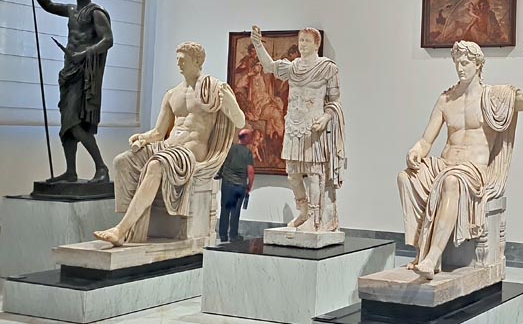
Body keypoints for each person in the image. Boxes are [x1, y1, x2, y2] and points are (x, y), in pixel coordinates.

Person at [400, 35, 523, 278]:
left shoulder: (495, 97)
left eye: (465, 62)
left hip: (472, 170)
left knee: (451, 182)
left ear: (478, 64)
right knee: (406, 177)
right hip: (445, 163)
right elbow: (426, 141)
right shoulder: (446, 99)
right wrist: (415, 152)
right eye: (457, 62)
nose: (460, 67)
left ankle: (433, 256)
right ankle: (420, 251)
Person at [96, 42, 245, 247]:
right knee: (123, 161)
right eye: (177, 60)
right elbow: (158, 132)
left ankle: (121, 230)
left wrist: (230, 102)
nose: (179, 64)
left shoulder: (213, 90)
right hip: (167, 147)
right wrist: (144, 138)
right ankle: (137, 226)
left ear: (197, 61)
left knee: (156, 164)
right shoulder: (172, 94)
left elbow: (240, 121)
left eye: (183, 60)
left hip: (191, 152)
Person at [23, 0, 114, 183]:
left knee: (74, 123)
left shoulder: (96, 12)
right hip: (68, 71)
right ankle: (71, 171)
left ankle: (102, 168)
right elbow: (49, 6)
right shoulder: (72, 10)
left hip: (84, 73)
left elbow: (108, 40)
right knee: (66, 126)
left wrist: (85, 53)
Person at [250, 26, 345, 231]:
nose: (302, 44)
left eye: (307, 41)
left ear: (317, 44)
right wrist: (258, 43)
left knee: (314, 173)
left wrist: (326, 117)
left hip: (314, 125)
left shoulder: (327, 68)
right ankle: (303, 212)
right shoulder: (293, 68)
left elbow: (335, 100)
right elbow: (269, 66)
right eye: (300, 40)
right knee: (292, 172)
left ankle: (316, 217)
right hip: (294, 124)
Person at [218, 129, 255, 242]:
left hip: (227, 183)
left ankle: (223, 235)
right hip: (239, 185)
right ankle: (233, 235)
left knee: (225, 209)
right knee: (235, 211)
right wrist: (250, 186)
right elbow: (250, 172)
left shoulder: (229, 149)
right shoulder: (247, 153)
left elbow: (221, 163)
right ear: (246, 138)